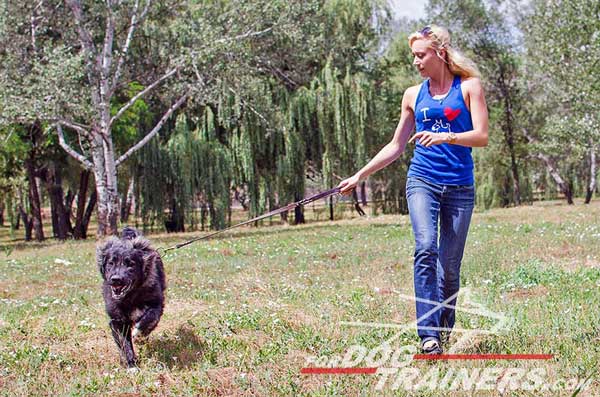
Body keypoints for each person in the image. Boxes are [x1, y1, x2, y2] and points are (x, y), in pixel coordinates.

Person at [338, 25, 489, 354]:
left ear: (440, 53)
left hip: (460, 186)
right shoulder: (412, 95)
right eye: (414, 56)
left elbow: (481, 136)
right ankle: (428, 336)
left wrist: (447, 136)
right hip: (423, 180)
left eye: (421, 55)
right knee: (424, 249)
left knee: (449, 268)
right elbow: (396, 146)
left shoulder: (469, 88)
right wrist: (359, 175)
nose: (416, 61)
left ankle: (444, 329)